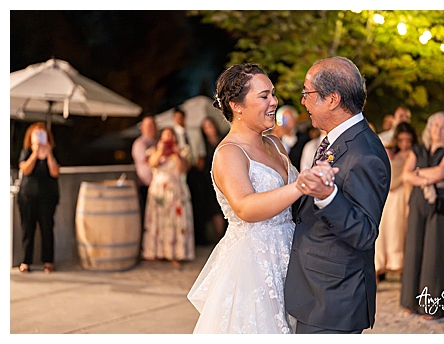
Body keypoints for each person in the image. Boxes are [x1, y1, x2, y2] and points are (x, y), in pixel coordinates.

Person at [190, 63, 308, 333]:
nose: (274, 102)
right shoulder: (229, 153)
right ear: (237, 105)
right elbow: (244, 206)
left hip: (290, 253)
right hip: (254, 264)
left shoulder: (275, 143)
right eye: (264, 96)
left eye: (273, 94)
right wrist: (299, 186)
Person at [284, 57, 390, 333]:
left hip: (334, 300)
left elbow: (365, 232)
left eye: (307, 93)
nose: (303, 102)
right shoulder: (338, 138)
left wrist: (328, 196)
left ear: (332, 99)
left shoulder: (365, 153)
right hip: (316, 292)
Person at [400, 113, 444, 321]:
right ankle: (411, 302)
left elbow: (441, 172)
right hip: (419, 201)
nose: (439, 130)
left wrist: (418, 173)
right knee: (414, 251)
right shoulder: (418, 149)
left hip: (443, 203)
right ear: (429, 129)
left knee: (436, 254)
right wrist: (424, 176)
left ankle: (434, 307)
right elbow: (405, 175)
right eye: (436, 126)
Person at [143, 126, 195, 268]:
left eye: (170, 136)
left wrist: (176, 154)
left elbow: (183, 168)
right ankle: (157, 252)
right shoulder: (154, 150)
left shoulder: (183, 151)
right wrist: (161, 151)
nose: (167, 139)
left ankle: (176, 253)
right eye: (165, 136)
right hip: (159, 191)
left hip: (177, 190)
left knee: (177, 222)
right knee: (159, 221)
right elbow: (152, 164)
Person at [375, 122, 417, 280]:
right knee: (383, 235)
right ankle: (378, 270)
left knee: (398, 235)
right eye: (401, 140)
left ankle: (402, 271)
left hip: (403, 196)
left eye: (408, 140)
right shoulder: (390, 151)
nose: (405, 144)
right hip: (389, 198)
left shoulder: (414, 154)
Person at [17, 123, 61, 274]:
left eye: (42, 134)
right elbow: (25, 169)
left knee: (47, 228)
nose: (40, 137)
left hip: (48, 197)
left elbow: (55, 172)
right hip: (28, 196)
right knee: (27, 229)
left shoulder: (53, 151)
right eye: (37, 134)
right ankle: (26, 260)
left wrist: (48, 154)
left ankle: (48, 261)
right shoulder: (26, 151)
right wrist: (35, 154)